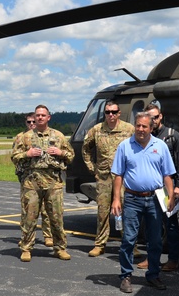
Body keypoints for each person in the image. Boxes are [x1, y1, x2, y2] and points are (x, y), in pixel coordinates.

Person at [111, 111, 176, 293]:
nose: (140, 129)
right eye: (138, 125)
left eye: (144, 126)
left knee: (155, 241)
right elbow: (118, 175)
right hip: (132, 199)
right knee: (129, 239)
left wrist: (171, 197)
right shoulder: (125, 146)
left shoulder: (160, 146)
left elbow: (167, 174)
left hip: (154, 199)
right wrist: (116, 199)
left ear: (151, 127)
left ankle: (153, 275)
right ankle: (125, 276)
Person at [11, 105, 75, 262]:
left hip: (53, 182)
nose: (39, 118)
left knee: (56, 217)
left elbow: (71, 156)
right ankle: (26, 248)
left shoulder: (59, 136)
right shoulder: (24, 137)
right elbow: (14, 157)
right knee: (29, 217)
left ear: (48, 117)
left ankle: (60, 248)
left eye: (43, 115)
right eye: (37, 115)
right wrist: (27, 153)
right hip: (32, 182)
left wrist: (61, 153)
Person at [135, 104, 179, 271]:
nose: (154, 121)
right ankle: (152, 259)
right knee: (151, 226)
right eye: (150, 118)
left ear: (161, 116)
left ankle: (173, 260)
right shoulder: (143, 138)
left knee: (171, 226)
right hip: (150, 189)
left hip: (167, 188)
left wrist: (178, 188)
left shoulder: (173, 136)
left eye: (156, 117)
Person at [81, 101, 134, 257]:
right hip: (103, 177)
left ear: (119, 113)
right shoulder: (97, 130)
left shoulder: (129, 130)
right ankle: (100, 244)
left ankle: (130, 244)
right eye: (107, 112)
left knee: (125, 210)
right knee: (103, 211)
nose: (110, 115)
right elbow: (85, 149)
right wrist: (92, 168)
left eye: (113, 112)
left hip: (123, 177)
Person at [14, 113, 52, 247]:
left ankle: (48, 235)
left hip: (46, 178)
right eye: (28, 122)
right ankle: (26, 238)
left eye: (33, 122)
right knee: (27, 211)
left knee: (46, 210)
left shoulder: (47, 136)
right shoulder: (21, 137)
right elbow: (15, 157)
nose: (31, 124)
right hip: (27, 178)